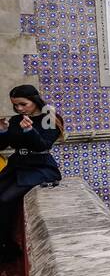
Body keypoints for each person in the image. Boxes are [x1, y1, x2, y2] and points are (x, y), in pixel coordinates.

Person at [0, 84, 63, 260]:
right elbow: (4, 145)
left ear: (34, 101)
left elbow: (43, 145)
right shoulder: (14, 120)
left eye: (23, 104)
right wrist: (3, 132)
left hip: (40, 167)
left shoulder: (49, 119)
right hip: (17, 165)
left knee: (5, 199)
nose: (19, 108)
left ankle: (7, 245)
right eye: (15, 105)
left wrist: (29, 130)